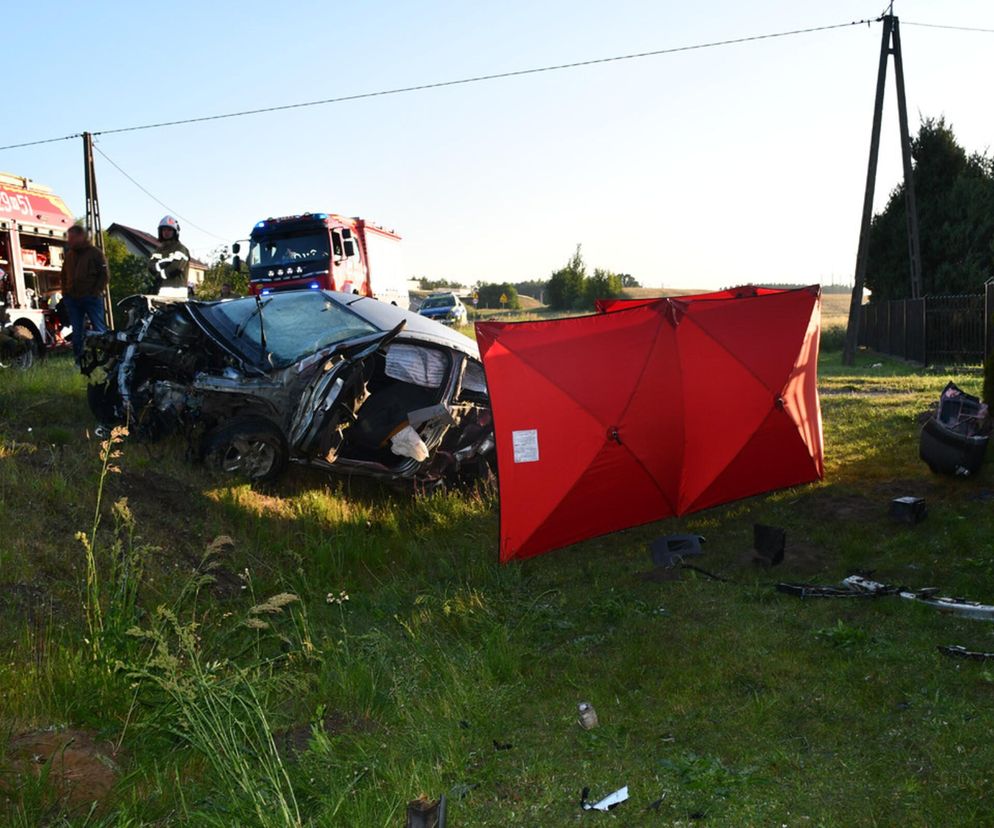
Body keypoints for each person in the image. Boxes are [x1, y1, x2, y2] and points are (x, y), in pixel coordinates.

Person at [61, 225, 108, 363]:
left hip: (91, 298)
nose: (69, 240)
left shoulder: (95, 253)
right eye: (69, 238)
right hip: (73, 299)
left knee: (99, 331)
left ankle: (105, 360)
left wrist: (95, 292)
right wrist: (65, 293)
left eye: (72, 237)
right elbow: (63, 275)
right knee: (77, 333)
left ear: (81, 237)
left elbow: (104, 275)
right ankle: (79, 361)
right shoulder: (69, 255)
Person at [149, 215, 190, 299]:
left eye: (169, 230)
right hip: (160, 289)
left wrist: (160, 271)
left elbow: (176, 268)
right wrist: (165, 264)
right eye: (164, 230)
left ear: (175, 232)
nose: (166, 232)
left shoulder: (181, 248)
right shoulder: (158, 250)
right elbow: (150, 267)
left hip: (177, 290)